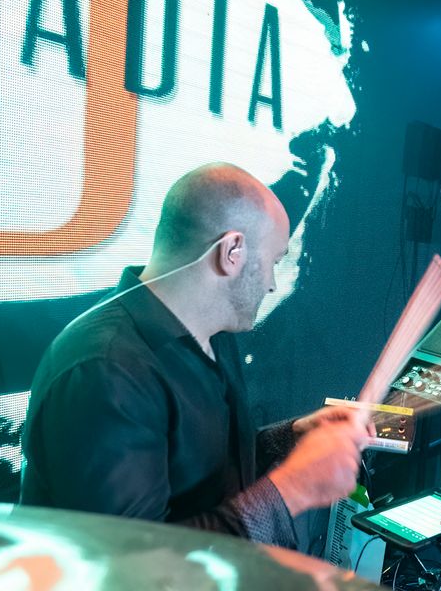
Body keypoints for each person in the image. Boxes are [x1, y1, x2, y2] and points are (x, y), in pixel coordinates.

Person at [18, 163, 369, 549]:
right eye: (273, 261)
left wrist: (289, 439)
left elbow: (198, 473)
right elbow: (134, 563)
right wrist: (295, 488)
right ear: (232, 251)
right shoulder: (107, 370)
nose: (271, 283)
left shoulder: (212, 334)